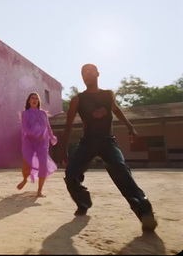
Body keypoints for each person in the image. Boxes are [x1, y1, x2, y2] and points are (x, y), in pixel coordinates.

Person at [60, 63, 157, 232]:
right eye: (83, 72)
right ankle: (83, 202)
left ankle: (145, 214)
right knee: (70, 174)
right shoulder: (77, 100)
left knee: (121, 169)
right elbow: (68, 125)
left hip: (107, 142)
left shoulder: (108, 95)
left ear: (98, 73)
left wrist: (130, 127)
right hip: (87, 142)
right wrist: (63, 149)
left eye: (90, 71)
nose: (86, 74)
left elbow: (117, 110)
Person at [17, 92, 58, 197]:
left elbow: (47, 127)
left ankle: (39, 190)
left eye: (36, 98)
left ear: (38, 101)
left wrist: (51, 137)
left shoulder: (43, 113)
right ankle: (25, 179)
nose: (34, 100)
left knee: (43, 164)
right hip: (29, 142)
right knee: (26, 165)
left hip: (42, 142)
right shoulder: (25, 113)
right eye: (32, 98)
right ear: (29, 101)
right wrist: (35, 134)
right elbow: (25, 128)